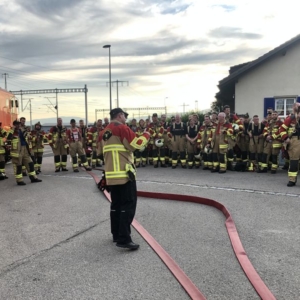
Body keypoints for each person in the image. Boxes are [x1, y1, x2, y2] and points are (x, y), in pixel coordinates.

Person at [98, 108, 150, 250]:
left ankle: (116, 235)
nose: (125, 119)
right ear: (119, 115)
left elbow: (99, 152)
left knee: (116, 206)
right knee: (128, 206)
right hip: (124, 175)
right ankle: (124, 238)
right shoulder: (122, 128)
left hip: (111, 175)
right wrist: (146, 135)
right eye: (124, 116)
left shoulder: (104, 132)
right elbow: (136, 145)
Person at [6, 120, 42, 185]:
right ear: (14, 125)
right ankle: (19, 180)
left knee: (30, 164)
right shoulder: (11, 132)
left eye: (19, 124)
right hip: (16, 152)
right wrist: (13, 129)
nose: (18, 126)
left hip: (25, 149)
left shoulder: (22, 130)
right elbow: (8, 138)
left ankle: (33, 178)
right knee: (18, 166)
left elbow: (29, 137)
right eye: (16, 124)